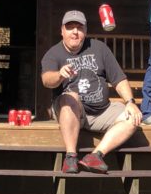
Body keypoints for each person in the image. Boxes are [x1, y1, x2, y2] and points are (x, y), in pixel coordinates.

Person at [40, 10, 142, 174]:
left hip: (102, 110)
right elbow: (46, 80)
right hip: (72, 112)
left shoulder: (99, 48)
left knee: (133, 118)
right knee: (70, 97)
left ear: (85, 31)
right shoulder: (53, 53)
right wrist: (59, 74)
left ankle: (95, 156)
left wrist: (130, 102)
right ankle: (70, 157)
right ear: (62, 31)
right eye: (70, 27)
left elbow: (118, 79)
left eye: (79, 27)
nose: (75, 32)